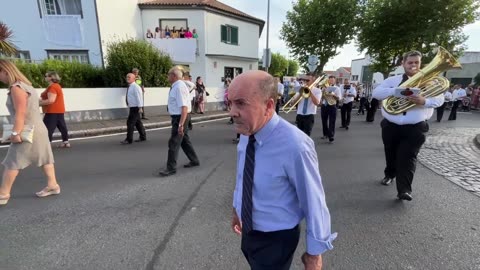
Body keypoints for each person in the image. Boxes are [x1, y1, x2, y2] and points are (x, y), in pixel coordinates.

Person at [228, 70, 336, 269]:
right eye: (230, 103)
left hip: (276, 239)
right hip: (250, 230)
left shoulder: (296, 145)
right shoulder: (247, 131)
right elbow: (243, 172)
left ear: (268, 106)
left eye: (241, 103)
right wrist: (238, 208)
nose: (232, 112)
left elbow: (314, 201)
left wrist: (314, 254)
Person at [372, 50, 444, 201]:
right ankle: (389, 174)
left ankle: (404, 190)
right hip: (390, 126)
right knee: (390, 154)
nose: (413, 65)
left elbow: (439, 100)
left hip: (415, 127)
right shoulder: (393, 80)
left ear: (420, 63)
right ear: (403, 64)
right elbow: (376, 93)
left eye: (416, 62)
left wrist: (424, 101)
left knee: (408, 157)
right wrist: (397, 91)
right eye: (410, 62)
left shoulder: (429, 81)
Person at [0, 60, 61, 206]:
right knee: (45, 158)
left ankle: (3, 194)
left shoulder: (16, 87)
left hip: (27, 130)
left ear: (6, 71)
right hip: (39, 128)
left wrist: (15, 133)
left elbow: (20, 113)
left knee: (12, 162)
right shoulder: (27, 85)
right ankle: (53, 185)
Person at [157, 66, 200, 177]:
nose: (167, 77)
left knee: (174, 142)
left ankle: (171, 168)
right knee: (184, 141)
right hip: (178, 117)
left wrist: (180, 124)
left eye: (168, 74)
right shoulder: (176, 86)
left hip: (180, 117)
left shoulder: (179, 87)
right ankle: (194, 160)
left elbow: (184, 107)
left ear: (174, 76)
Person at [39, 71, 70, 148]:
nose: (45, 77)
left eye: (46, 76)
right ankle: (66, 142)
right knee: (62, 126)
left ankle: (46, 145)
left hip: (52, 110)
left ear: (51, 77)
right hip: (58, 110)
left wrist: (38, 103)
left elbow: (51, 100)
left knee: (46, 128)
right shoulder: (56, 86)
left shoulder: (52, 87)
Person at [121, 73, 146, 144]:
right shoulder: (131, 86)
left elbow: (139, 98)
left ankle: (129, 139)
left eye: (129, 77)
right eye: (127, 77)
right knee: (138, 123)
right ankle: (143, 136)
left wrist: (140, 107)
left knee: (130, 123)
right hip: (132, 107)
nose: (127, 78)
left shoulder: (135, 87)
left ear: (134, 78)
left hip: (135, 108)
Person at [320, 76, 342, 143]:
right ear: (328, 81)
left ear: (334, 81)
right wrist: (322, 93)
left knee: (332, 121)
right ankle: (325, 134)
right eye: (330, 80)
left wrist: (333, 94)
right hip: (324, 105)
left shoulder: (337, 88)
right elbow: (321, 97)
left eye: (332, 80)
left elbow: (339, 98)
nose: (331, 81)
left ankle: (331, 136)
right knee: (324, 120)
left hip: (332, 105)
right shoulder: (324, 87)